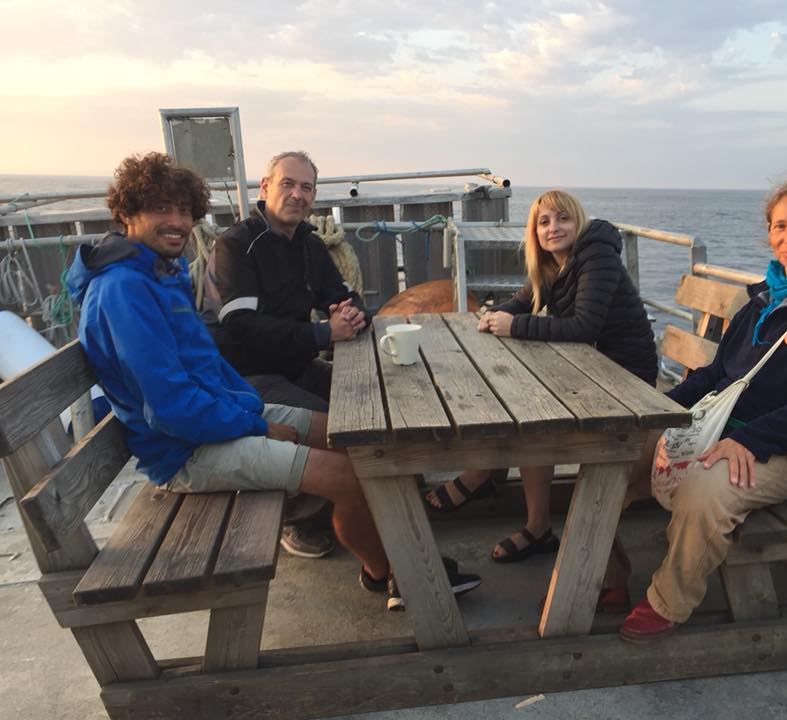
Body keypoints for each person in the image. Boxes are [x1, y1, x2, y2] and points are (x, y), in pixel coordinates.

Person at [67, 152, 479, 611]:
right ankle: (395, 573)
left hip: (227, 410)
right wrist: (259, 426)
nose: (178, 222)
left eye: (184, 210)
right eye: (161, 208)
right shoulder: (125, 289)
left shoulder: (161, 273)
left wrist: (252, 412)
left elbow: (206, 365)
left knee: (369, 439)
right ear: (127, 213)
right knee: (352, 476)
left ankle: (392, 556)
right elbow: (170, 407)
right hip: (183, 451)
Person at [616, 177, 787, 641]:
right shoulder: (762, 298)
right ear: (768, 233)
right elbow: (714, 376)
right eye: (780, 226)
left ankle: (669, 601)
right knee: (616, 450)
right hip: (721, 429)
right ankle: (604, 573)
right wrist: (652, 413)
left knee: (705, 491)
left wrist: (747, 439)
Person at [425, 190, 659, 570]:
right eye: (543, 222)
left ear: (578, 221)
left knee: (533, 416)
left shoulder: (596, 255)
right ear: (534, 232)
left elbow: (585, 326)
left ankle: (497, 486)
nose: (553, 228)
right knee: (516, 392)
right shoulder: (553, 265)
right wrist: (491, 316)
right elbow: (518, 303)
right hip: (590, 368)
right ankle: (507, 492)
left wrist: (515, 325)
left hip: (624, 378)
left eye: (562, 219)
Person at [205, 151, 369, 559]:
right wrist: (322, 331)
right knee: (345, 432)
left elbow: (342, 294)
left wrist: (350, 310)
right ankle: (298, 519)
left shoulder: (310, 244)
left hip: (296, 366)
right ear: (265, 188)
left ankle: (368, 509)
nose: (297, 194)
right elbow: (242, 327)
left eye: (306, 187)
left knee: (375, 404)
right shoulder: (235, 245)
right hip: (248, 379)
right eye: (287, 184)